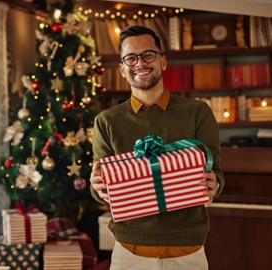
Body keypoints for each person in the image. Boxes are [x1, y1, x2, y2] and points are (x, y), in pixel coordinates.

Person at [90, 25, 224, 270]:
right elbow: (101, 186)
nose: (140, 63)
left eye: (148, 55)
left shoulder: (197, 112)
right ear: (121, 68)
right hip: (129, 253)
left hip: (189, 252)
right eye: (131, 57)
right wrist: (97, 186)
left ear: (163, 61)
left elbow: (217, 175)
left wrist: (214, 183)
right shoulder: (106, 121)